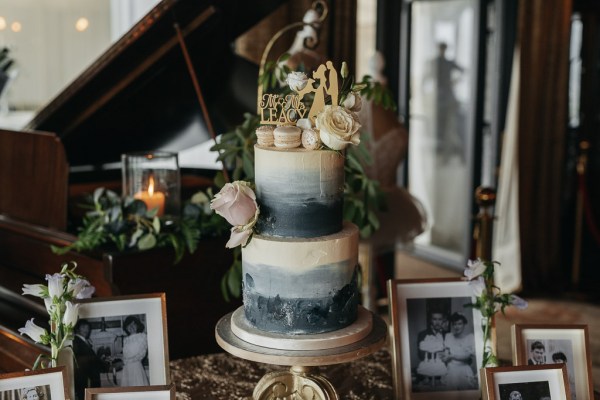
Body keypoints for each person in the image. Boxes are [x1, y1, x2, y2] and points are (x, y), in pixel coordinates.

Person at [441, 312, 477, 390]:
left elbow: (467, 356)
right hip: (451, 370)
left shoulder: (469, 338)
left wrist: (451, 356)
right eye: (454, 324)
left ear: (464, 324)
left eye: (459, 324)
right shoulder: (449, 337)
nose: (456, 327)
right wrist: (444, 357)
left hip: (464, 370)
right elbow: (446, 353)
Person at [73, 319, 106, 400]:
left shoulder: (84, 341)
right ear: (78, 328)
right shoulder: (76, 341)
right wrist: (97, 358)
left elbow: (89, 358)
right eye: (83, 327)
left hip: (89, 378)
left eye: (88, 328)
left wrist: (98, 358)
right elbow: (80, 360)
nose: (86, 330)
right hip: (85, 379)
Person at [415, 311, 448, 386]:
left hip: (444, 374)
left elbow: (449, 354)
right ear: (430, 320)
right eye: (434, 319)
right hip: (427, 374)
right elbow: (421, 355)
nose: (437, 322)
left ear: (443, 320)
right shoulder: (422, 334)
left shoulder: (446, 335)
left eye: (440, 319)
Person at [120, 315, 149, 386]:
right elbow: (126, 355)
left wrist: (124, 360)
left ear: (137, 325)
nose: (131, 326)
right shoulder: (126, 340)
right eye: (129, 325)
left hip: (136, 369)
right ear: (126, 327)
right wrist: (119, 357)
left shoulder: (142, 336)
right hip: (126, 370)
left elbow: (137, 354)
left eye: (134, 324)